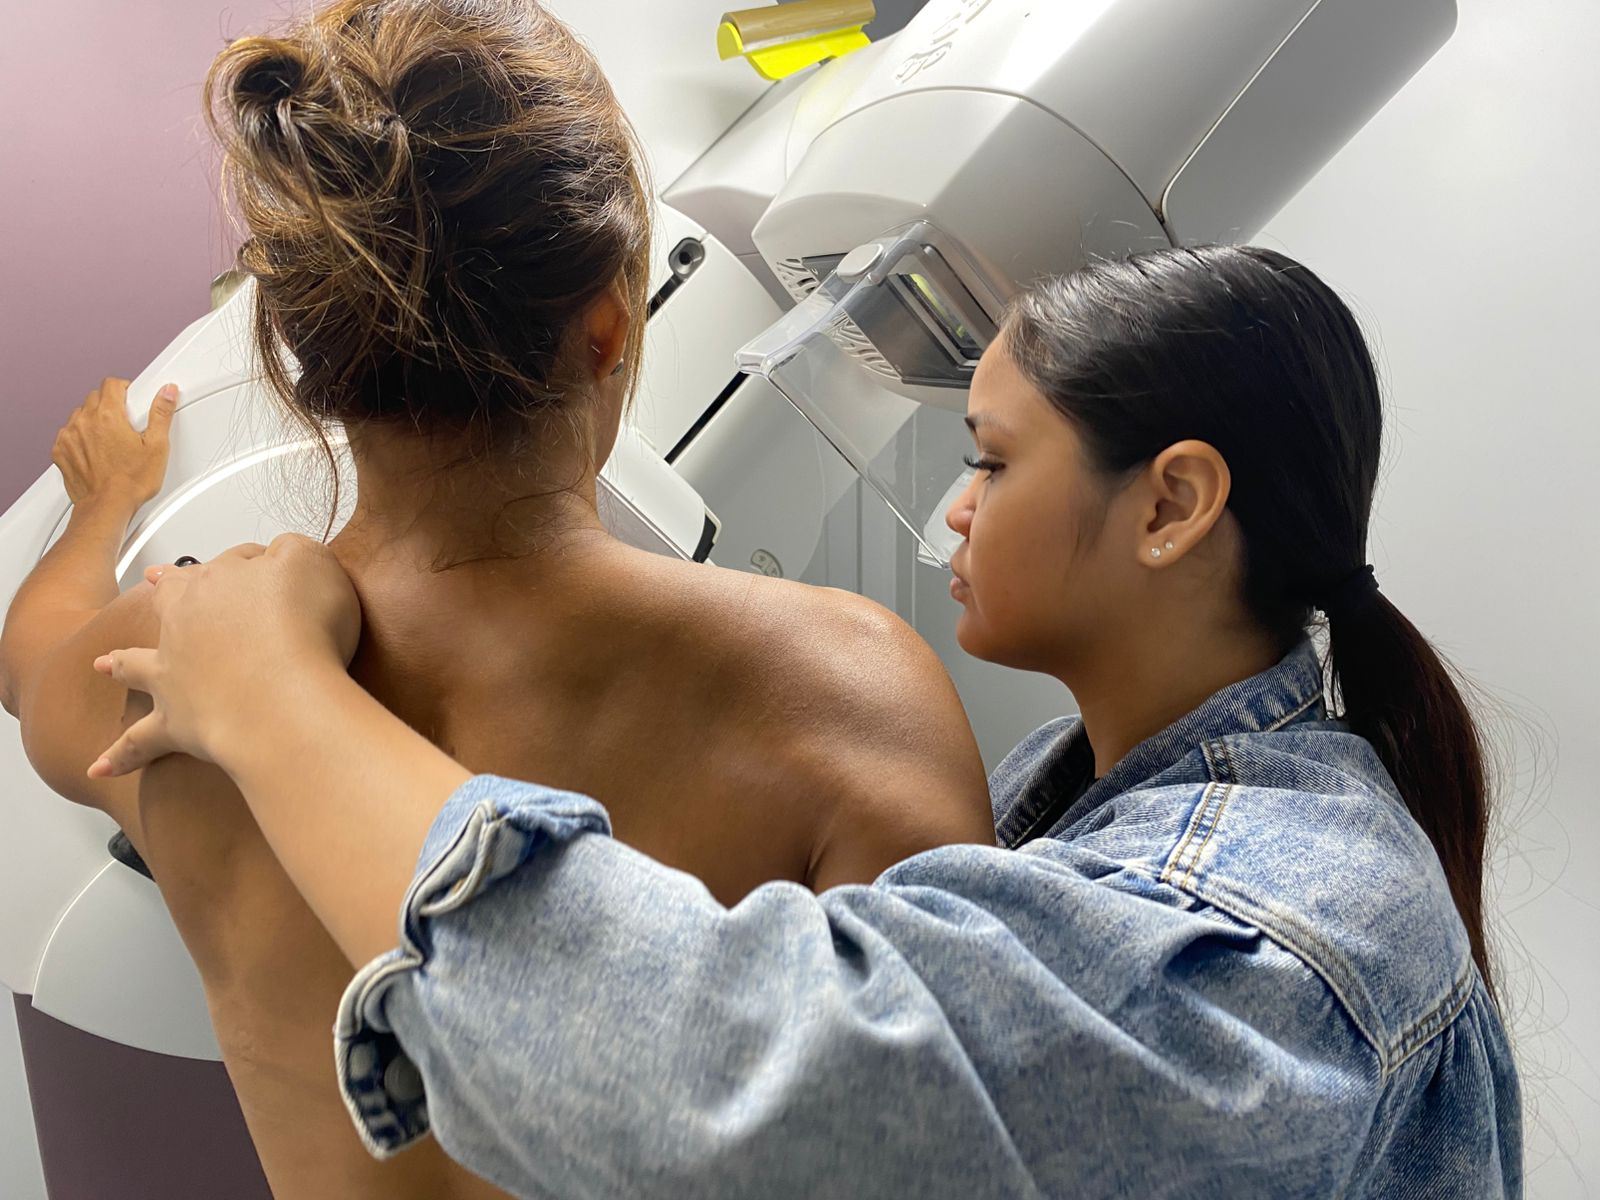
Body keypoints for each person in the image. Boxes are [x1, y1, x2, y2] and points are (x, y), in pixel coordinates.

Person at [87, 245, 1522, 1198]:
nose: (954, 508)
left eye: (992, 460)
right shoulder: (995, 755)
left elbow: (738, 1089)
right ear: (609, 329)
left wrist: (270, 691)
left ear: (1173, 505)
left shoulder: (1269, 936)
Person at [0, 2, 992, 1196]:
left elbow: (29, 654)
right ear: (608, 329)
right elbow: (953, 1142)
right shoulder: (844, 693)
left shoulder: (173, 658)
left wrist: (103, 505)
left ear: (309, 359)